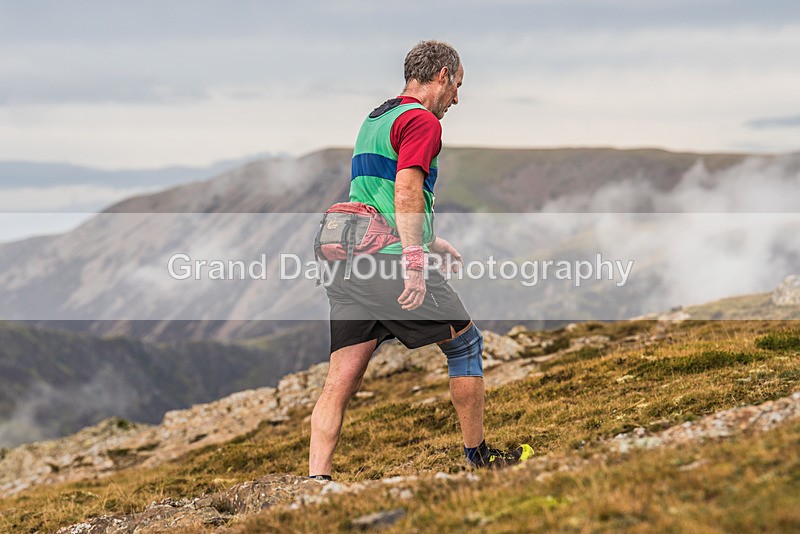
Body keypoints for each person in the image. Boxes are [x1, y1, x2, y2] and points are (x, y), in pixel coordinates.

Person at [308, 40, 532, 481]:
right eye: (458, 86)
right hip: (390, 263)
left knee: (340, 380)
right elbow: (405, 191)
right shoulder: (423, 122)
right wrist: (414, 259)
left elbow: (371, 195)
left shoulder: (377, 117)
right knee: (466, 344)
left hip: (348, 262)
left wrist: (429, 240)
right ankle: (478, 458)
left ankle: (317, 480)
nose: (457, 99)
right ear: (443, 76)